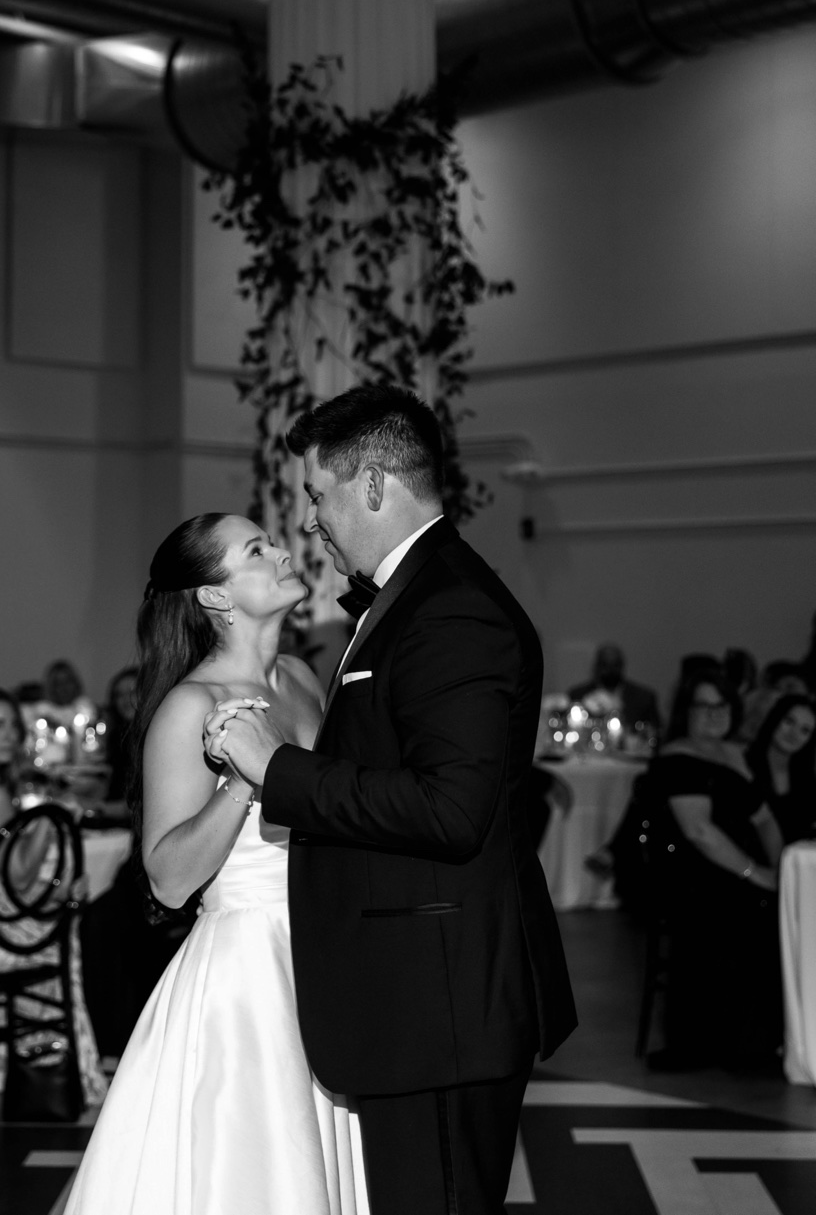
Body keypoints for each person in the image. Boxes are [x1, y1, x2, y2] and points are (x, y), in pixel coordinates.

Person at [210, 384, 575, 1213]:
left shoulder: (451, 609)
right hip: (421, 998)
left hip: (440, 1004)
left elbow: (451, 810)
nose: (309, 520)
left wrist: (278, 770)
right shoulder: (414, 596)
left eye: (317, 494)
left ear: (373, 484)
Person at [63, 512, 359, 1213]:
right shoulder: (189, 706)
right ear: (215, 596)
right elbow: (167, 876)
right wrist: (242, 780)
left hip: (321, 947)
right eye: (256, 549)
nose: (282, 552)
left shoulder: (299, 675)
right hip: (248, 970)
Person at [0, 686, 106, 1108]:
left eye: (13, 724)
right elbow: (20, 879)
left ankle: (1, 1065)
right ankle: (57, 1065)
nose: (10, 735)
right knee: (67, 931)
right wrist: (51, 821)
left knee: (63, 908)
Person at [643, 670, 784, 1070]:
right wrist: (755, 873)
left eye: (721, 705)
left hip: (740, 869)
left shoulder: (736, 753)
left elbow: (764, 818)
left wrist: (779, 868)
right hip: (698, 875)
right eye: (702, 705)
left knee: (789, 907)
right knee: (745, 909)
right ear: (686, 711)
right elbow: (699, 831)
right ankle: (726, 1044)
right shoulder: (677, 758)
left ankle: (762, 1040)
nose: (712, 714)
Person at [748, 692, 816, 844]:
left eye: (805, 730)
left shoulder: (807, 778)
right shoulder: (743, 762)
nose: (794, 734)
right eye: (789, 721)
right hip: (746, 863)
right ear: (775, 718)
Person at [568, 642, 661, 736]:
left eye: (615, 665)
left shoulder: (643, 697)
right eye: (605, 665)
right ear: (597, 666)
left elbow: (656, 731)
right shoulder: (578, 696)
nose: (610, 671)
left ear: (622, 666)